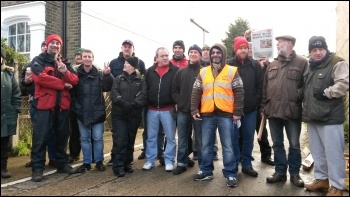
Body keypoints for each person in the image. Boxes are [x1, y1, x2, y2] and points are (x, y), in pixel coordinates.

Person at [191, 43, 244, 187]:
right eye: (213, 52)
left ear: (224, 54)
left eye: (218, 52)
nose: (215, 54)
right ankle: (206, 171)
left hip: (226, 114)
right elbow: (196, 91)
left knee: (228, 146)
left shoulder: (232, 71)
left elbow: (239, 92)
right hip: (207, 114)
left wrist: (237, 112)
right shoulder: (203, 72)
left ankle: (231, 173)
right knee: (206, 145)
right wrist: (194, 110)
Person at [302, 36, 349, 196]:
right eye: (314, 50)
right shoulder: (311, 66)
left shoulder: (336, 62)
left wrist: (327, 93)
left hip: (330, 118)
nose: (317, 53)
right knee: (317, 152)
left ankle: (337, 186)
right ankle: (322, 179)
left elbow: (344, 83)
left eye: (320, 49)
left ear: (326, 49)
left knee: (334, 153)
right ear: (310, 52)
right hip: (312, 117)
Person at [260, 35, 308, 187]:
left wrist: (296, 97)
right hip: (273, 111)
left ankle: (295, 174)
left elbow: (306, 85)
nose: (278, 44)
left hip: (292, 111)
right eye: (277, 43)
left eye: (281, 42)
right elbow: (265, 88)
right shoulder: (272, 64)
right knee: (277, 143)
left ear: (291, 44)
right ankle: (280, 172)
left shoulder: (302, 62)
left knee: (294, 144)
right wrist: (263, 107)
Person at [30, 34, 78, 182]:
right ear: (47, 44)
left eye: (58, 43)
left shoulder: (65, 63)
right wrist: (63, 84)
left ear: (60, 47)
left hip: (62, 107)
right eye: (52, 43)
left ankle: (62, 164)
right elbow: (40, 78)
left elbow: (75, 80)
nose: (55, 46)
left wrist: (65, 72)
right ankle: (37, 169)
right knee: (40, 138)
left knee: (62, 137)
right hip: (44, 107)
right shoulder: (38, 61)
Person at [227, 36, 263, 177]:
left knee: (248, 138)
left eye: (245, 48)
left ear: (249, 49)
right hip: (232, 110)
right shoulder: (228, 65)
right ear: (235, 50)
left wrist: (256, 101)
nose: (243, 50)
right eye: (240, 48)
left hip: (250, 110)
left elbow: (260, 85)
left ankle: (247, 164)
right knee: (233, 138)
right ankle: (234, 163)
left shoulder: (255, 65)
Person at [73, 49, 113, 173]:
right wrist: (76, 108)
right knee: (84, 139)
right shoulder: (75, 74)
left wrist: (107, 75)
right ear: (81, 58)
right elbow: (72, 92)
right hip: (82, 112)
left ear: (93, 59)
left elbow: (107, 87)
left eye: (89, 56)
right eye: (85, 56)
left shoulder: (100, 73)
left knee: (98, 138)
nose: (87, 59)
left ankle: (99, 161)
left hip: (97, 111)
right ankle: (86, 162)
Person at [108, 39, 146, 166]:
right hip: (119, 114)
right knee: (121, 139)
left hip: (134, 115)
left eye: (127, 63)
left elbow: (143, 95)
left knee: (130, 139)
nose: (125, 64)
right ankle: (118, 165)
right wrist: (124, 103)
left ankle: (127, 163)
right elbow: (114, 93)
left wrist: (134, 104)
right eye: (125, 46)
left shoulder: (140, 80)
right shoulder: (119, 78)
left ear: (133, 66)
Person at [21, 41, 58, 168]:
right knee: (39, 133)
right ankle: (37, 161)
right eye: (44, 46)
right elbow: (23, 86)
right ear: (44, 48)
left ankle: (53, 158)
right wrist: (26, 82)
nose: (45, 48)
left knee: (53, 133)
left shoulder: (58, 62)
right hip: (37, 103)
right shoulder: (33, 63)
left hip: (55, 103)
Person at [142, 47, 179, 172]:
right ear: (156, 57)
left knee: (170, 137)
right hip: (151, 109)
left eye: (166, 55)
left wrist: (177, 102)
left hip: (168, 109)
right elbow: (145, 89)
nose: (165, 58)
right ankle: (150, 160)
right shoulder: (149, 71)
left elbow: (177, 88)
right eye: (162, 56)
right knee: (151, 137)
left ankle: (169, 160)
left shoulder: (175, 71)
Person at [171, 44, 202, 175]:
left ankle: (204, 166)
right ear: (188, 54)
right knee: (183, 138)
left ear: (200, 55)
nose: (193, 54)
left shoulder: (205, 72)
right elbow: (174, 90)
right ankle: (182, 163)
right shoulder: (181, 72)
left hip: (200, 112)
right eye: (191, 52)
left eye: (196, 52)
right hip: (183, 111)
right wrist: (180, 101)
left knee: (201, 139)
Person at [138, 56, 165, 161]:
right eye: (154, 60)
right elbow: (144, 87)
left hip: (162, 106)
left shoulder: (165, 72)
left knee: (160, 131)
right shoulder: (149, 72)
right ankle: (146, 151)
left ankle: (160, 151)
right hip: (148, 106)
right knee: (148, 131)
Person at [1, 47, 21, 178]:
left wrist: (15, 110)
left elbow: (16, 94)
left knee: (3, 144)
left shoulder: (9, 75)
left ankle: (2, 168)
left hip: (5, 114)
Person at [68, 47, 84, 164]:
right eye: (77, 56)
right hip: (73, 104)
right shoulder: (71, 70)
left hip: (86, 106)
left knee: (88, 133)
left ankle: (91, 155)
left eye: (80, 55)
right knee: (74, 132)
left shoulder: (93, 69)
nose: (78, 57)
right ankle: (74, 154)